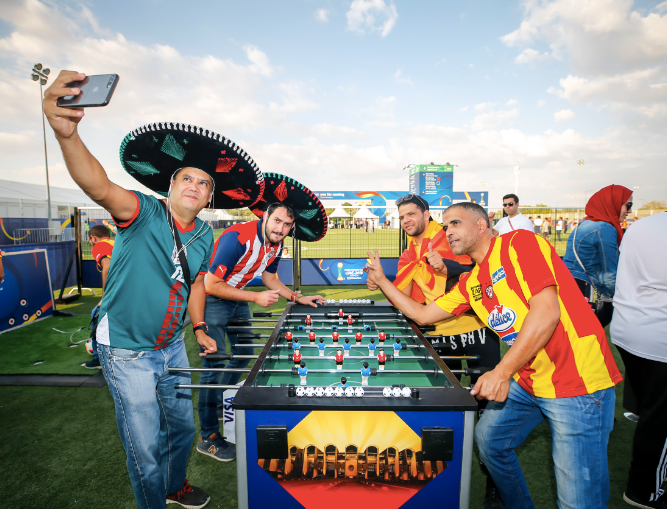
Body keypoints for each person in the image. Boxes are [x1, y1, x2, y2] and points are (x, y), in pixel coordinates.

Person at [43, 71, 268, 509]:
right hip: (126, 352)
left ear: (208, 198)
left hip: (171, 348)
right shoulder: (143, 210)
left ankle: (174, 486)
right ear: (170, 186)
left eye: (204, 183)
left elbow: (196, 284)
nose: (195, 186)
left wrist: (199, 326)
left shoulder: (205, 236)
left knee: (183, 430)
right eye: (187, 178)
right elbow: (98, 185)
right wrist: (67, 135)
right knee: (144, 448)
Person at [364, 202, 622, 509]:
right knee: (490, 443)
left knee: (578, 501)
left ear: (482, 226)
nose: (449, 231)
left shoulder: (519, 244)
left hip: (577, 384)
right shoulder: (471, 282)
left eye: (456, 223)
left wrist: (501, 372)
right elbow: (421, 314)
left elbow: (547, 313)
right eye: (446, 226)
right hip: (530, 380)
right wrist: (382, 281)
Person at [366, 193, 503, 507]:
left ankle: (494, 486)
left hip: (478, 333)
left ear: (427, 214)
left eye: (412, 214)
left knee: (491, 412)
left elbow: (475, 262)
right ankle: (442, 481)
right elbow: (404, 295)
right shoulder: (409, 251)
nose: (407, 221)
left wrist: (447, 265)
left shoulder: (448, 236)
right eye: (402, 217)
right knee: (445, 410)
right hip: (439, 335)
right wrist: (380, 282)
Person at [199, 173, 327, 462]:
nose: (281, 229)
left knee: (244, 355)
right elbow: (210, 285)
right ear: (266, 217)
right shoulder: (237, 237)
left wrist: (297, 297)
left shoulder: (276, 243)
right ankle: (208, 436)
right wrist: (255, 298)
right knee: (213, 364)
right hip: (212, 300)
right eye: (278, 221)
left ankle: (220, 398)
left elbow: (270, 278)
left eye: (287, 225)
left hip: (236, 297)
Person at [610, 212, 667, 509]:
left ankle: (637, 410)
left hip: (629, 326)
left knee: (651, 411)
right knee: (660, 421)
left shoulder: (642, 225)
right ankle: (644, 491)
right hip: (658, 335)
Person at [563, 185, 633, 328]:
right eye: (628, 205)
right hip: (587, 294)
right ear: (613, 203)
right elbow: (609, 275)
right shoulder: (605, 228)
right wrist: (626, 298)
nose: (630, 211)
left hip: (570, 288)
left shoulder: (583, 225)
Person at [83, 224, 114, 369]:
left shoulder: (99, 246)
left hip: (117, 290)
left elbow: (107, 266)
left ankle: (99, 358)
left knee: (97, 315)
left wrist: (105, 296)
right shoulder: (115, 242)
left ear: (93, 238)